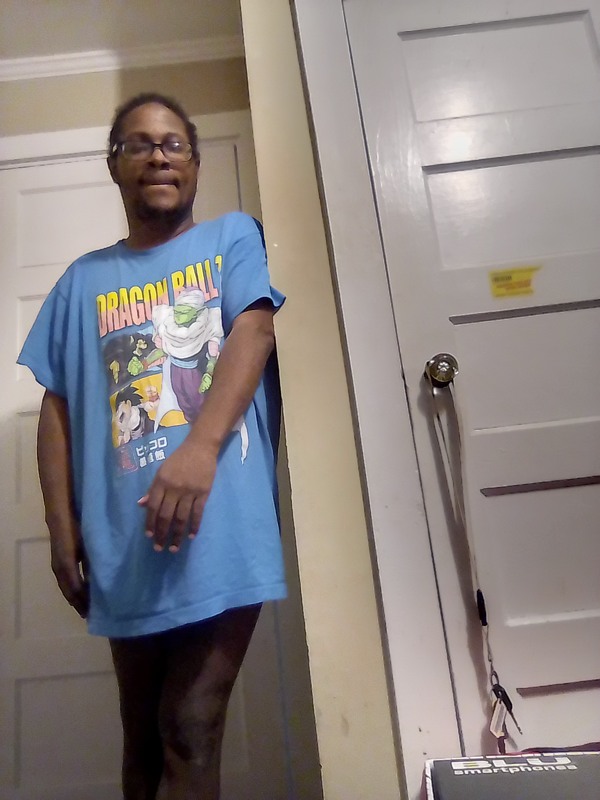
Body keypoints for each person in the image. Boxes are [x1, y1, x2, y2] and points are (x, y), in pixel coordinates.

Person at [17, 92, 287, 800]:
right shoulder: (81, 282)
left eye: (173, 143)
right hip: (124, 543)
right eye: (138, 144)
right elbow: (57, 406)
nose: (159, 156)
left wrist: (198, 451)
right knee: (141, 747)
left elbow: (255, 333)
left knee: (189, 728)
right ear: (115, 166)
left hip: (221, 531)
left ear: (195, 163)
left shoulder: (232, 238)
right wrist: (61, 530)